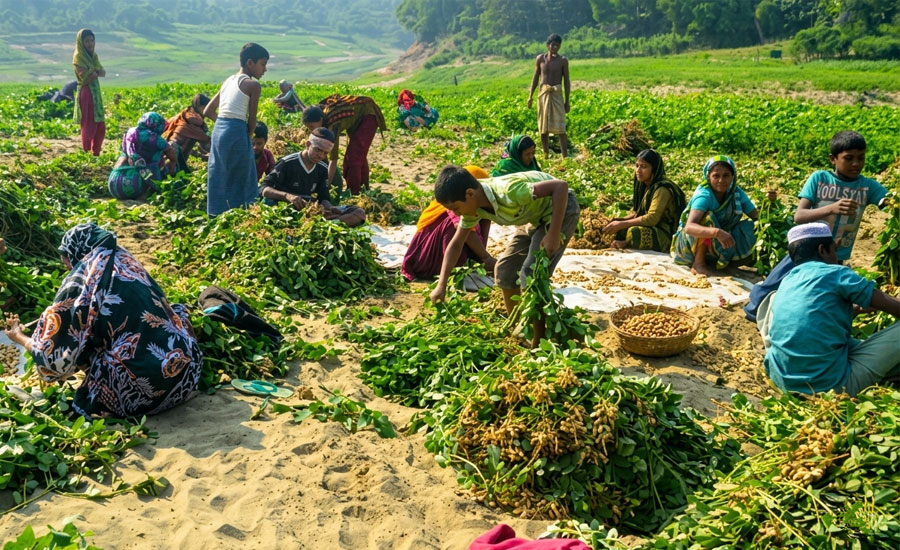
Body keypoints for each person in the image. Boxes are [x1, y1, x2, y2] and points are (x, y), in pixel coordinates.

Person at [3, 223, 202, 419]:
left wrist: (19, 336)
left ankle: (114, 403)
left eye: (64, 257)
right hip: (188, 374)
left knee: (80, 345)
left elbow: (53, 358)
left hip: (150, 392)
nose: (65, 264)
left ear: (74, 253)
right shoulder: (126, 261)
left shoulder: (82, 281)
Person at [744, 130, 889, 321]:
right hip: (806, 249)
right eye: (849, 158)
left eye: (861, 158)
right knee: (773, 284)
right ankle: (754, 314)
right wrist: (832, 208)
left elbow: (888, 202)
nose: (856, 164)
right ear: (833, 159)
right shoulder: (819, 179)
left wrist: (892, 202)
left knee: (820, 297)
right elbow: (800, 216)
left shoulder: (868, 186)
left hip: (835, 255)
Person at [429, 166, 580, 345]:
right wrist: (441, 285)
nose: (455, 214)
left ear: (470, 194)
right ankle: (519, 330)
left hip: (560, 209)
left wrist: (554, 234)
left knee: (532, 274)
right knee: (504, 269)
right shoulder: (474, 207)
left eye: (456, 208)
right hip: (533, 216)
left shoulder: (508, 191)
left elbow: (560, 187)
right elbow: (456, 244)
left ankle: (538, 342)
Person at [758, 223, 899, 396]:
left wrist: (853, 310)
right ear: (822, 250)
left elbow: (815, 315)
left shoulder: (788, 280)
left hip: (781, 380)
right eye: (834, 250)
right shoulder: (837, 273)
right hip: (829, 388)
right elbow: (892, 306)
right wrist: (881, 302)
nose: (837, 257)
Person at [204, 42, 268, 217]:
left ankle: (216, 214)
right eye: (263, 64)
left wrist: (223, 125)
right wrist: (243, 133)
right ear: (250, 63)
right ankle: (243, 215)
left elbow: (208, 111)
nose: (265, 69)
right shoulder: (253, 85)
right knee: (244, 175)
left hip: (219, 131)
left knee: (220, 172)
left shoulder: (228, 80)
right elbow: (252, 119)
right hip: (236, 130)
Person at [259, 127, 366, 227]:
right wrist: (288, 196)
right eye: (318, 150)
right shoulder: (287, 163)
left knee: (359, 212)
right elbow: (264, 189)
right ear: (308, 144)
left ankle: (326, 225)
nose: (321, 156)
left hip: (310, 208)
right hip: (285, 206)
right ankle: (319, 224)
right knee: (269, 204)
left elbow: (323, 197)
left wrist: (329, 208)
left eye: (325, 153)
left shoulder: (323, 168)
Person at [401, 166, 495, 281]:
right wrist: (487, 258)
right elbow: (467, 233)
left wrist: (482, 260)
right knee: (457, 226)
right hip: (427, 260)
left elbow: (484, 232)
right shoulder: (456, 203)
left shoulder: (480, 200)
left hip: (455, 252)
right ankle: (451, 271)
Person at [671, 155, 759, 276]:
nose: (721, 181)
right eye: (716, 176)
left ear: (733, 176)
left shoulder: (736, 193)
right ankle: (698, 264)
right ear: (708, 177)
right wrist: (716, 232)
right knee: (707, 218)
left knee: (754, 227)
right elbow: (689, 227)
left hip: (721, 241)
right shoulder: (704, 196)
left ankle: (728, 264)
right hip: (690, 245)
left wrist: (771, 204)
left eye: (726, 175)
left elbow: (757, 217)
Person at [602, 149, 687, 252]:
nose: (638, 170)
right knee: (620, 227)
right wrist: (620, 220)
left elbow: (652, 218)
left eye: (644, 167)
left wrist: (622, 224)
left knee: (635, 232)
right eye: (637, 165)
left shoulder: (662, 189)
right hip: (655, 227)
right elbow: (639, 213)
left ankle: (625, 243)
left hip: (668, 232)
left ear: (654, 169)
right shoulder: (646, 186)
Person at [302, 94, 387, 196]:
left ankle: (355, 192)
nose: (311, 130)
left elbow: (333, 160)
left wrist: (326, 186)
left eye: (311, 126)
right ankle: (365, 189)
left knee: (353, 158)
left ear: (320, 120)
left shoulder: (332, 125)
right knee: (359, 155)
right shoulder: (320, 116)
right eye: (308, 127)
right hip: (355, 116)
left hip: (367, 115)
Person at [107, 112, 177, 201]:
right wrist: (173, 162)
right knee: (154, 170)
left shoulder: (130, 132)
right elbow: (170, 151)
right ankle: (146, 193)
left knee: (124, 155)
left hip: (114, 185)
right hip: (134, 187)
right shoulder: (154, 138)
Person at [527, 33, 570, 158]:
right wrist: (530, 96)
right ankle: (545, 154)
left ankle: (565, 156)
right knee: (543, 126)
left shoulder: (562, 61)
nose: (555, 47)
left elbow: (566, 80)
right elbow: (535, 77)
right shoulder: (540, 59)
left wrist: (567, 101)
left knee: (561, 127)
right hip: (543, 94)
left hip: (556, 94)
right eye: (552, 45)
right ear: (547, 46)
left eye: (557, 45)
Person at [73, 29, 105, 156]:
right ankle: (86, 152)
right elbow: (85, 76)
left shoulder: (93, 56)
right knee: (88, 122)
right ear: (81, 43)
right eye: (87, 41)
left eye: (92, 40)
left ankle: (96, 151)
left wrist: (95, 72)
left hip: (95, 91)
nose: (90, 44)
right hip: (87, 93)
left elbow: (101, 71)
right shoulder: (78, 57)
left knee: (100, 123)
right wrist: (95, 72)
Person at [163, 93, 211, 174]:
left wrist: (201, 155)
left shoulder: (185, 114)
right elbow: (208, 144)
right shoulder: (195, 122)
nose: (208, 111)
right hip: (173, 159)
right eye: (206, 107)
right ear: (199, 106)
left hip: (166, 153)